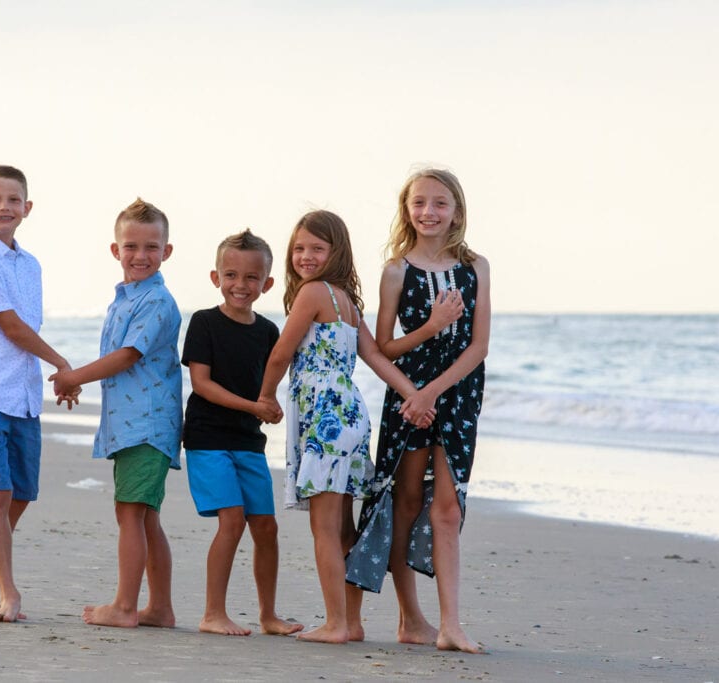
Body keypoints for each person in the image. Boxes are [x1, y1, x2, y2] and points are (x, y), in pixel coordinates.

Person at [257, 210, 433, 644]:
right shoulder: (347, 302)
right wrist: (413, 394)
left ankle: (336, 623)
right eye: (299, 248)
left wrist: (265, 396)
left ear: (337, 253)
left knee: (324, 527)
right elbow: (375, 358)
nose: (305, 256)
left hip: (325, 419)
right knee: (344, 528)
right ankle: (350, 622)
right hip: (351, 416)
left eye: (317, 248)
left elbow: (281, 352)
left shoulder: (313, 294)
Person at [347, 168, 490, 654]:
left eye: (440, 203)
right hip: (408, 396)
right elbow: (384, 345)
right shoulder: (396, 271)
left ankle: (451, 624)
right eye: (419, 203)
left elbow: (478, 347)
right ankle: (411, 617)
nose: (429, 212)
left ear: (457, 210)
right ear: (406, 210)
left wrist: (434, 393)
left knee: (448, 508)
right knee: (405, 504)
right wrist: (430, 328)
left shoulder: (477, 267)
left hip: (458, 394)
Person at [0, 164, 75, 623]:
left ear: (27, 208)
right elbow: (8, 325)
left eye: (13, 200)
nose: (4, 207)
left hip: (21, 393)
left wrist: (53, 374)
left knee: (19, 495)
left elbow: (28, 327)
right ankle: (9, 595)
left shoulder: (31, 265)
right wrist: (61, 364)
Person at [51, 198, 182, 629]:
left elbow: (127, 356)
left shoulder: (157, 302)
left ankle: (126, 606)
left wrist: (74, 378)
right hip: (129, 422)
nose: (140, 255)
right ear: (116, 250)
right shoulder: (125, 299)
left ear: (167, 252)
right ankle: (159, 607)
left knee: (130, 511)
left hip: (146, 424)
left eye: (151, 247)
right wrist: (79, 380)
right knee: (144, 515)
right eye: (131, 246)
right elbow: (116, 360)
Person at [182, 229, 304, 637]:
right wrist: (255, 406)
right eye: (231, 275)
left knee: (265, 526)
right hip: (207, 439)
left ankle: (268, 615)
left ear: (267, 284)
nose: (241, 285)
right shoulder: (203, 322)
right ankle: (212, 613)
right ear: (216, 278)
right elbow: (202, 384)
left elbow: (271, 379)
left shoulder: (269, 331)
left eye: (252, 278)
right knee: (231, 520)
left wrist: (271, 405)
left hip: (249, 442)